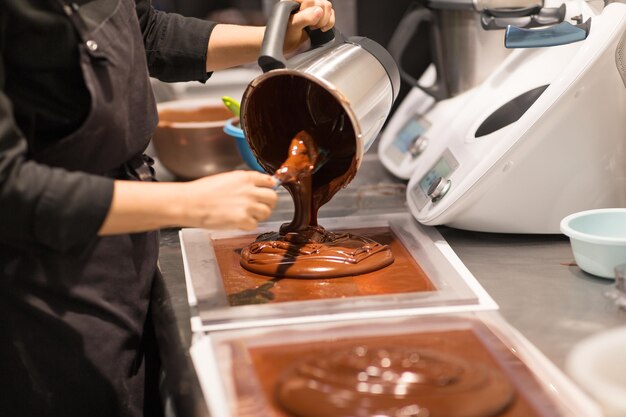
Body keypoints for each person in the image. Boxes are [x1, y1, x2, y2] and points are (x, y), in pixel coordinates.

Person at [0, 0, 335, 416]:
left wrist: (271, 38)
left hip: (123, 254)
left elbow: (146, 32)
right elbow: (8, 188)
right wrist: (186, 201)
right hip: (43, 289)